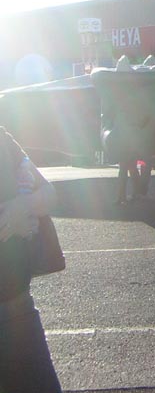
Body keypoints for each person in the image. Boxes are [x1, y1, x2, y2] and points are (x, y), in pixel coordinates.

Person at [0, 127, 63, 393]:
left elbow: (48, 194)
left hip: (17, 305)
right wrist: (11, 221)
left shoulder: (2, 138)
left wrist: (22, 207)